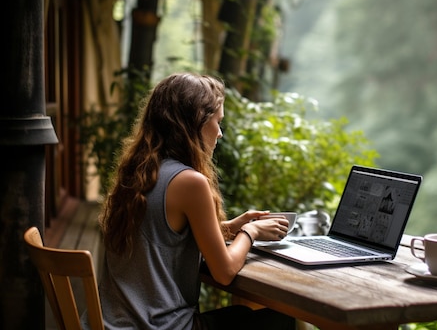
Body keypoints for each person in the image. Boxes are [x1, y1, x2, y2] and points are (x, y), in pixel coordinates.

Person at [83, 72, 295, 329]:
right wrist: (250, 232)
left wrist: (232, 227)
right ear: (196, 122)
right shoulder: (190, 182)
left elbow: (162, 238)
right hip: (158, 326)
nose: (219, 134)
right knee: (278, 321)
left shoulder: (139, 171)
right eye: (218, 122)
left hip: (110, 324)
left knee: (243, 315)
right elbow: (224, 272)